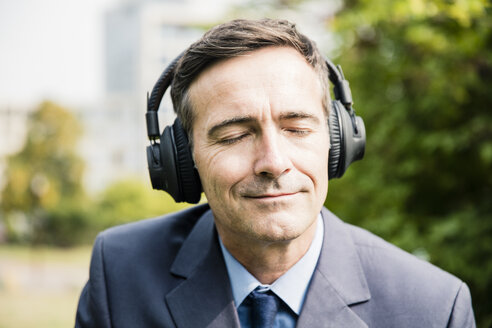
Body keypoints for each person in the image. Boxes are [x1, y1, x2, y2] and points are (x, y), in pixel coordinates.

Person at [75, 18, 475, 327]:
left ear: (338, 141)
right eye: (233, 136)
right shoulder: (118, 274)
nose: (273, 161)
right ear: (182, 158)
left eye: (297, 129)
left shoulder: (434, 307)